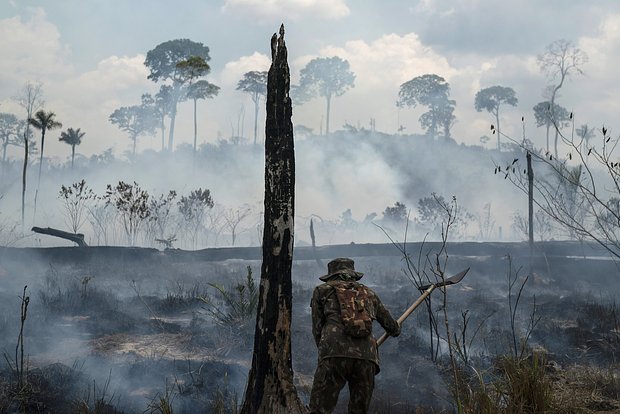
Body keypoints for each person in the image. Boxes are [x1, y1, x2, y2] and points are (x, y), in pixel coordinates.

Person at [308, 257, 401, 414]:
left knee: (319, 409)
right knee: (359, 411)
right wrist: (396, 328)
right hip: (367, 358)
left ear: (332, 275)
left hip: (334, 354)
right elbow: (392, 327)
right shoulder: (369, 293)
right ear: (353, 274)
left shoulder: (322, 291)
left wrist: (326, 353)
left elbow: (317, 328)